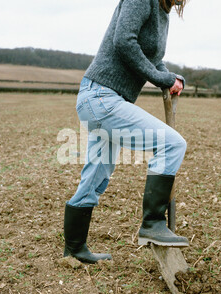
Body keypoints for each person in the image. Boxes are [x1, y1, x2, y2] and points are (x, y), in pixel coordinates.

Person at [63, 0, 190, 264]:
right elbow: (124, 41)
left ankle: (74, 249)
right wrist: (162, 79)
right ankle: (153, 223)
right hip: (102, 98)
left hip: (101, 99)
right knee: (172, 144)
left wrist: (170, 76)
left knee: (96, 177)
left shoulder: (161, 13)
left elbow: (153, 60)